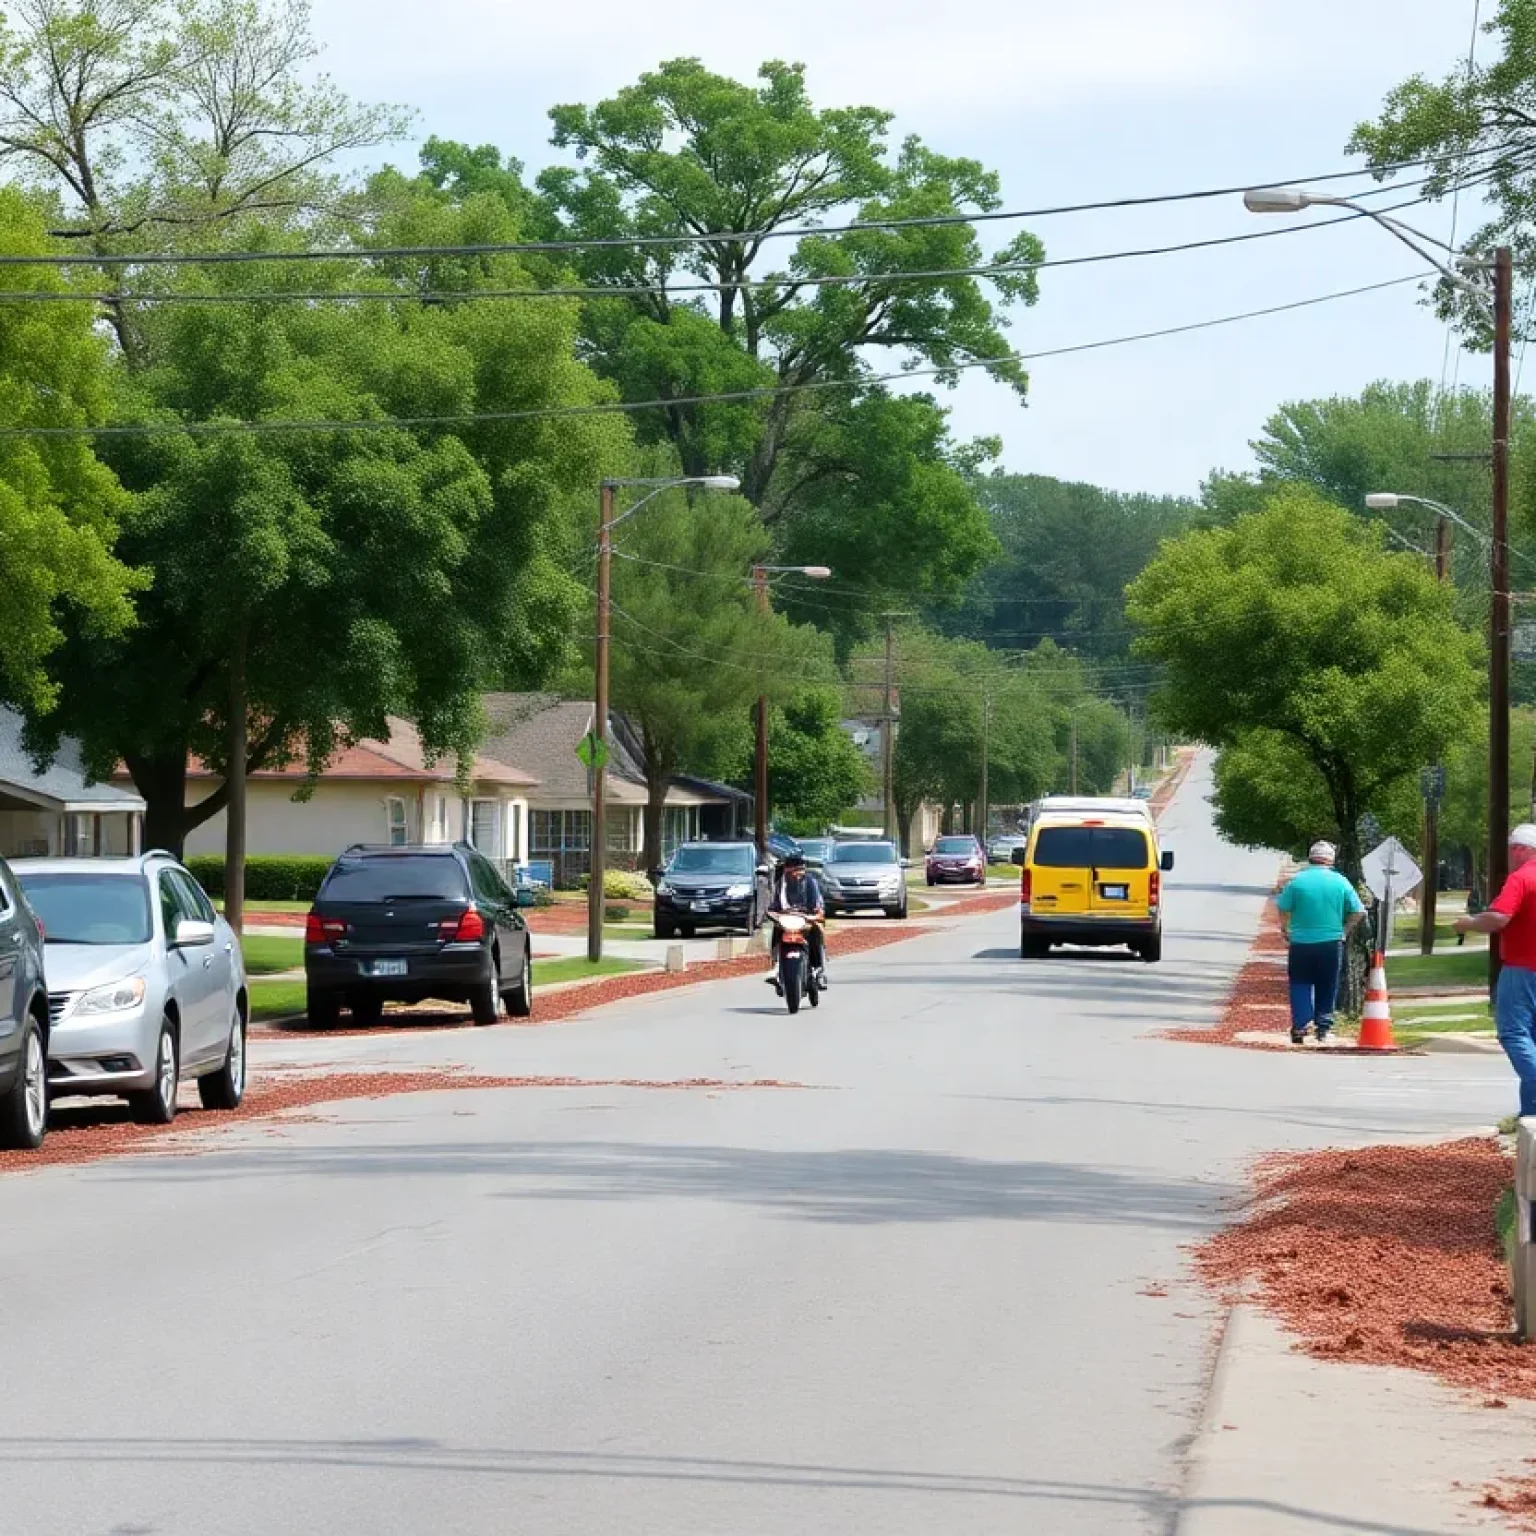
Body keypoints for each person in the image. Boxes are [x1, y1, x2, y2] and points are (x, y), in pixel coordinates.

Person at [1456, 825, 1536, 1118]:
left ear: (1519, 849)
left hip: (1521, 969)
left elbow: (1499, 918)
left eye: (1510, 850)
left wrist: (1470, 922)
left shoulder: (1522, 878)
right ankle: (1530, 1117)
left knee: (1513, 1033)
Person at [1275, 840, 1365, 1046]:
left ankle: (1300, 1025)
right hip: (1331, 943)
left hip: (1301, 943)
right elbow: (1358, 911)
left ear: (1310, 858)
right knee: (1328, 983)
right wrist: (1344, 931)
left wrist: (1286, 928)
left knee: (1300, 983)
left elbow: (1282, 907)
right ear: (1330, 861)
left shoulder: (1297, 882)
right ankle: (1323, 1026)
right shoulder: (1340, 882)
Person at [765, 850, 828, 993]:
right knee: (776, 929)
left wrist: (815, 915)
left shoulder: (811, 883)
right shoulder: (780, 885)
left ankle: (818, 970)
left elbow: (817, 905)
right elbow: (773, 906)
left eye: (799, 868)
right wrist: (772, 914)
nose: (795, 872)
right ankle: (775, 966)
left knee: (816, 931)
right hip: (786, 919)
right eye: (791, 867)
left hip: (806, 919)